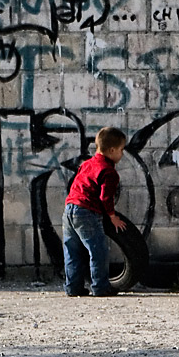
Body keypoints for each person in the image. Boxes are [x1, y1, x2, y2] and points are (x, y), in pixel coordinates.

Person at [62, 126, 128, 297]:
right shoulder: (109, 171)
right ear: (112, 150)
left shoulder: (87, 164)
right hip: (86, 212)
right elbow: (105, 198)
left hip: (69, 209)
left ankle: (73, 287)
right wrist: (112, 217)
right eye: (121, 150)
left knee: (72, 251)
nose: (122, 154)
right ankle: (100, 287)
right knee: (98, 250)